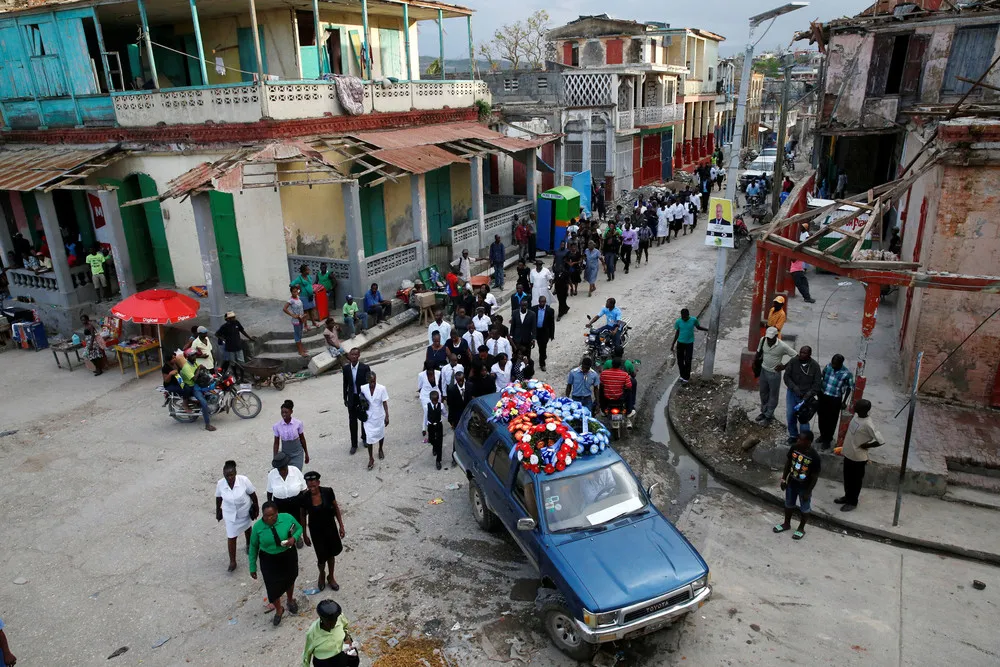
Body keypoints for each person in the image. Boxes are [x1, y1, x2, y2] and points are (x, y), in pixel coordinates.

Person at [249, 501, 303, 626]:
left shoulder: (287, 518)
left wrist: (293, 538)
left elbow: (298, 528)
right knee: (272, 586)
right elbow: (253, 547)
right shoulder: (258, 527)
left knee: (289, 579)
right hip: (269, 559)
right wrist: (252, 566)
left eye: (272, 515)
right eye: (266, 516)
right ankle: (279, 609)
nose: (269, 518)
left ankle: (290, 600)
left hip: (287, 555)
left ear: (277, 513)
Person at [835, 399, 883, 512]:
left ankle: (852, 502)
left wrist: (868, 445)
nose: (854, 407)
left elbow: (880, 440)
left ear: (863, 409)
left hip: (858, 458)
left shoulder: (868, 424)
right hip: (848, 453)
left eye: (857, 406)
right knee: (847, 478)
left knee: (855, 481)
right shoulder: (856, 417)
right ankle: (847, 497)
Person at [301, 471, 346, 592]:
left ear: (318, 483)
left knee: (331, 554)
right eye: (310, 487)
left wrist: (341, 526)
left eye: (314, 486)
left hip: (330, 527)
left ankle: (331, 576)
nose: (312, 489)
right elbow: (303, 516)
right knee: (321, 557)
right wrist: (304, 534)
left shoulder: (328, 492)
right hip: (316, 531)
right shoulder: (304, 497)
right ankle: (321, 574)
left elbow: (336, 508)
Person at [773, 431, 821, 540]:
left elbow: (815, 476)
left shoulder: (814, 456)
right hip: (792, 482)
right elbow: (788, 463)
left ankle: (801, 528)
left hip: (805, 486)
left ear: (809, 442)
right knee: (788, 504)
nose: (798, 441)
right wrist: (784, 479)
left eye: (801, 439)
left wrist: (808, 492)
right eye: (798, 438)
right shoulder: (794, 448)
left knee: (804, 508)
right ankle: (786, 523)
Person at [216, 460, 259, 572]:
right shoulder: (221, 483)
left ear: (235, 473)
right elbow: (219, 497)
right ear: (223, 474)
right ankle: (232, 561)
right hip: (230, 514)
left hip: (244, 510)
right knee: (231, 536)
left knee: (247, 527)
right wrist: (218, 510)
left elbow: (252, 494)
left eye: (231, 475)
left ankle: (249, 544)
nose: (229, 478)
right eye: (227, 475)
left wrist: (256, 507)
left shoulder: (243, 480)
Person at [755, 326, 796, 425]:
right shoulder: (763, 340)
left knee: (773, 396)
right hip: (763, 371)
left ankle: (769, 415)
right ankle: (764, 412)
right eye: (768, 338)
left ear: (776, 336)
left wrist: (784, 366)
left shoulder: (782, 346)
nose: (769, 340)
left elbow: (795, 356)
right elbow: (758, 351)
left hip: (774, 374)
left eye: (771, 338)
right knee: (763, 393)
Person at [301, 599, 359, 667]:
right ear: (322, 618)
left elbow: (345, 627)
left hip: (341, 653)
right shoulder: (312, 633)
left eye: (335, 619)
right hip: (325, 662)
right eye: (329, 621)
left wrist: (347, 638)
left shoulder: (339, 617)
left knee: (354, 660)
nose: (334, 623)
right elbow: (306, 654)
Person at [783, 346, 823, 443]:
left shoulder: (815, 366)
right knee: (790, 415)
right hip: (792, 393)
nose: (802, 354)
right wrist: (794, 388)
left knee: (804, 418)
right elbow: (786, 377)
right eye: (801, 352)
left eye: (805, 353)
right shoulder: (793, 362)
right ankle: (793, 435)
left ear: (809, 355)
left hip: (806, 397)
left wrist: (809, 394)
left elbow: (817, 384)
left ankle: (804, 439)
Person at [267, 451, 307, 546]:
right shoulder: (272, 475)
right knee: (283, 522)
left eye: (284, 468)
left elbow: (304, 489)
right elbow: (269, 492)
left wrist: (306, 505)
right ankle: (287, 536)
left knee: (297, 520)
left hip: (296, 501)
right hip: (280, 503)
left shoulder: (295, 471)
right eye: (279, 469)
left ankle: (297, 536)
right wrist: (269, 505)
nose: (282, 471)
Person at [816, 354, 854, 449]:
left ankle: (828, 439)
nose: (833, 365)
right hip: (823, 395)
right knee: (821, 416)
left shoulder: (846, 373)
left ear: (841, 364)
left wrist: (844, 401)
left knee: (831, 420)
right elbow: (822, 376)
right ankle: (822, 435)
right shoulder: (828, 366)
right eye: (833, 363)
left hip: (835, 398)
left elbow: (849, 387)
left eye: (835, 364)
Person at [179, 349, 216, 431]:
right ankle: (207, 425)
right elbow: (194, 379)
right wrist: (199, 368)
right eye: (192, 355)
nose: (195, 356)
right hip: (193, 387)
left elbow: (200, 369)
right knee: (204, 403)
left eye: (195, 355)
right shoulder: (186, 367)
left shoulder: (194, 363)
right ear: (188, 357)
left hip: (199, 384)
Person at [342, 349, 370, 455]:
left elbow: (368, 383)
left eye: (355, 355)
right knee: (352, 422)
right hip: (352, 398)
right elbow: (345, 384)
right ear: (349, 356)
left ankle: (365, 438)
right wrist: (345, 398)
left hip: (362, 398)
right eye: (351, 354)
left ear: (359, 356)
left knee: (363, 419)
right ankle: (354, 444)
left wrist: (369, 397)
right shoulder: (346, 369)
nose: (353, 356)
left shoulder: (364, 368)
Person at [360, 371, 389, 471]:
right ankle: (371, 458)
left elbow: (385, 402)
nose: (372, 384)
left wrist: (387, 416)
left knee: (380, 434)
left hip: (379, 416)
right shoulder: (363, 388)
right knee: (369, 438)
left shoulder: (381, 388)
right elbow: (360, 399)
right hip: (368, 418)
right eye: (371, 382)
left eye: (374, 381)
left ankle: (380, 449)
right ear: (367, 381)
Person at [671, 308, 708, 383]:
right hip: (680, 343)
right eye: (682, 317)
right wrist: (673, 344)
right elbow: (677, 333)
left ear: (688, 315)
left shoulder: (693, 320)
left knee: (688, 360)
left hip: (689, 343)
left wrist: (707, 329)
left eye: (685, 317)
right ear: (681, 316)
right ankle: (682, 375)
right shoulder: (678, 322)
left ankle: (686, 377)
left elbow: (698, 327)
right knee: (680, 361)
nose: (684, 319)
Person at [273, 399, 310, 471]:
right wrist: (275, 457)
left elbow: (302, 439)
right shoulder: (277, 426)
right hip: (285, 454)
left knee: (297, 472)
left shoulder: (298, 423)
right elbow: (276, 443)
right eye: (282, 412)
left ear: (291, 412)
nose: (284, 414)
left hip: (297, 453)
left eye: (286, 412)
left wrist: (306, 454)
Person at [417, 361, 442, 439]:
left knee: (436, 410)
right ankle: (425, 428)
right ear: (426, 369)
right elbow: (420, 387)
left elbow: (440, 385)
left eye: (432, 370)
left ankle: (436, 425)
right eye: (429, 370)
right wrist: (422, 396)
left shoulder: (438, 373)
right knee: (427, 410)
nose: (431, 372)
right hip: (426, 396)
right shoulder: (421, 375)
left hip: (436, 394)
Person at [424, 389, 448, 470]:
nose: (435, 402)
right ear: (430, 399)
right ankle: (434, 447)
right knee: (431, 440)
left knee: (439, 443)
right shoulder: (427, 406)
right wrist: (423, 428)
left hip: (438, 425)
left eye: (436, 400)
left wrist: (451, 420)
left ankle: (438, 460)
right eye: (433, 400)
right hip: (431, 426)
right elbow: (425, 418)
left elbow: (445, 414)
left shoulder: (441, 405)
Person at [284, 285, 310, 358]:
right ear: (291, 292)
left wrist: (299, 287)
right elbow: (284, 309)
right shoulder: (290, 300)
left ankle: (301, 349)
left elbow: (300, 290)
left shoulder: (298, 296)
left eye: (296, 291)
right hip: (296, 320)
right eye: (294, 292)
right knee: (297, 335)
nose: (296, 293)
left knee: (300, 334)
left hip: (301, 318)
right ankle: (300, 351)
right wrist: (292, 315)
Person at [532, 296, 555, 372]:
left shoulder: (550, 310)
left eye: (544, 302)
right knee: (540, 346)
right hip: (537, 331)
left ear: (545, 302)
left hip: (545, 332)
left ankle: (542, 363)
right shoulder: (533, 309)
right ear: (538, 301)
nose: (542, 303)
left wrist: (552, 335)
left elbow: (552, 324)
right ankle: (543, 359)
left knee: (543, 347)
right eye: (541, 302)